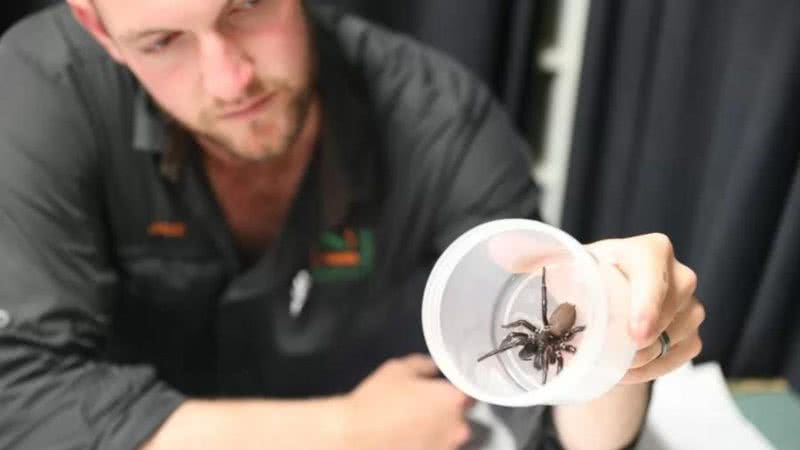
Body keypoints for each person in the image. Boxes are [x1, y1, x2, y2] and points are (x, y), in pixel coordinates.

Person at [0, 1, 705, 449]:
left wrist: (617, 338)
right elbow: (21, 399)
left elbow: (564, 430)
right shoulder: (38, 94)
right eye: (161, 42)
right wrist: (345, 431)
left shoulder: (438, 118)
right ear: (99, 30)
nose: (228, 80)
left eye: (246, 7)